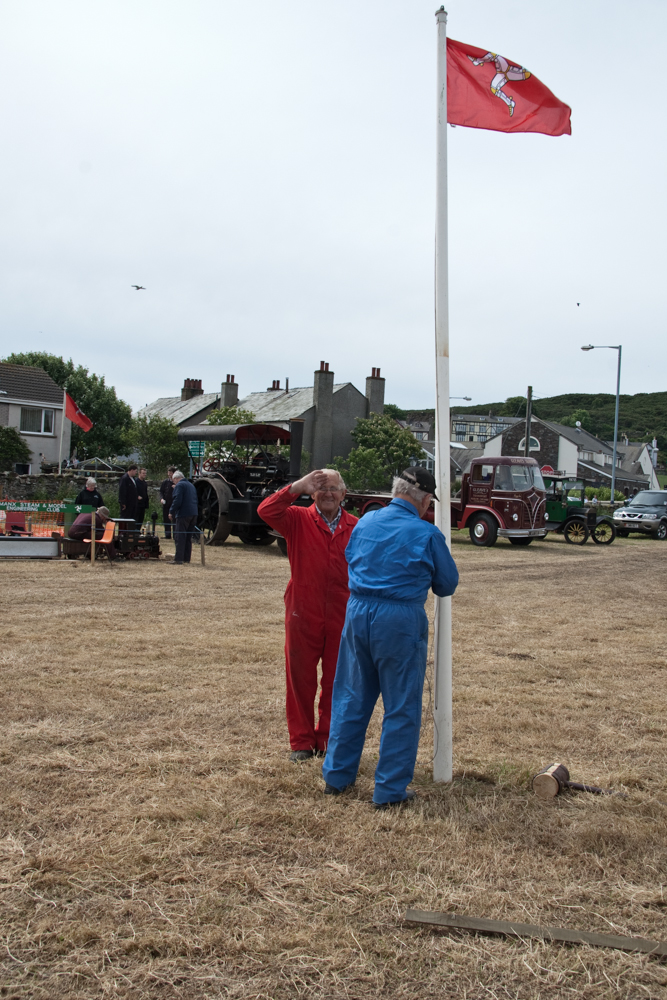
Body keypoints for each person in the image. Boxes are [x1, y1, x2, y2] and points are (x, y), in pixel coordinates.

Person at [322, 467, 459, 809]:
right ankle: (389, 790)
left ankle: (336, 777)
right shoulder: (426, 534)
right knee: (401, 706)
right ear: (426, 500)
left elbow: (350, 557)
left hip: (357, 613)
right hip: (399, 619)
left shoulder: (365, 522)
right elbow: (447, 584)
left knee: (351, 696)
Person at [257, 469, 358, 762]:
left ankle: (327, 739)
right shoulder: (297, 518)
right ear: (312, 493)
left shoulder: (357, 526)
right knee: (300, 677)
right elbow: (266, 510)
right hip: (303, 607)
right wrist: (295, 487)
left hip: (343, 610)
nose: (328, 493)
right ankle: (301, 741)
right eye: (321, 487)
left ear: (344, 494)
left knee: (337, 680)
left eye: (334, 488)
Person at [169, 471, 198, 564]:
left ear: (176, 478)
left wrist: (171, 511)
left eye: (174, 480)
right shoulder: (191, 485)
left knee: (180, 536)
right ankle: (186, 558)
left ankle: (178, 559)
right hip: (193, 513)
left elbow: (177, 500)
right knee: (188, 538)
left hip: (183, 514)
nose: (174, 483)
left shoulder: (180, 485)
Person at [160, 467, 176, 539]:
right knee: (166, 519)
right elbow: (161, 491)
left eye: (171, 472)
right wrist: (161, 498)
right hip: (166, 503)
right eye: (168, 472)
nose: (169, 474)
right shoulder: (165, 482)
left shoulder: (176, 482)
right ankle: (167, 534)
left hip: (173, 503)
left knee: (174, 519)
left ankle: (175, 535)